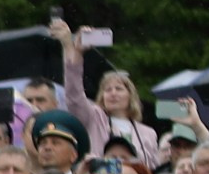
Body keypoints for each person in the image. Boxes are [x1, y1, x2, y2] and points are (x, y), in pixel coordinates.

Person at [51, 18, 162, 165]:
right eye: (107, 90)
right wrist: (73, 51)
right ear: (101, 96)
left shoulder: (148, 133)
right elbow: (74, 95)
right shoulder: (94, 118)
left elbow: (152, 169)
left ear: (131, 96)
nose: (113, 93)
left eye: (119, 89)